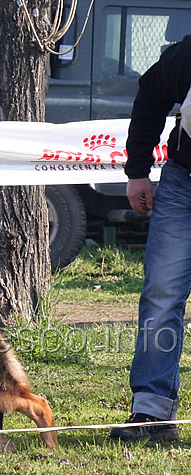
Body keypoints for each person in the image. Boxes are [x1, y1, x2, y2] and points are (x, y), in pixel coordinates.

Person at [109, 34, 191, 442]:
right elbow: (150, 95)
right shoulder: (187, 55)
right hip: (182, 184)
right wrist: (137, 170)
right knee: (161, 293)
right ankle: (152, 412)